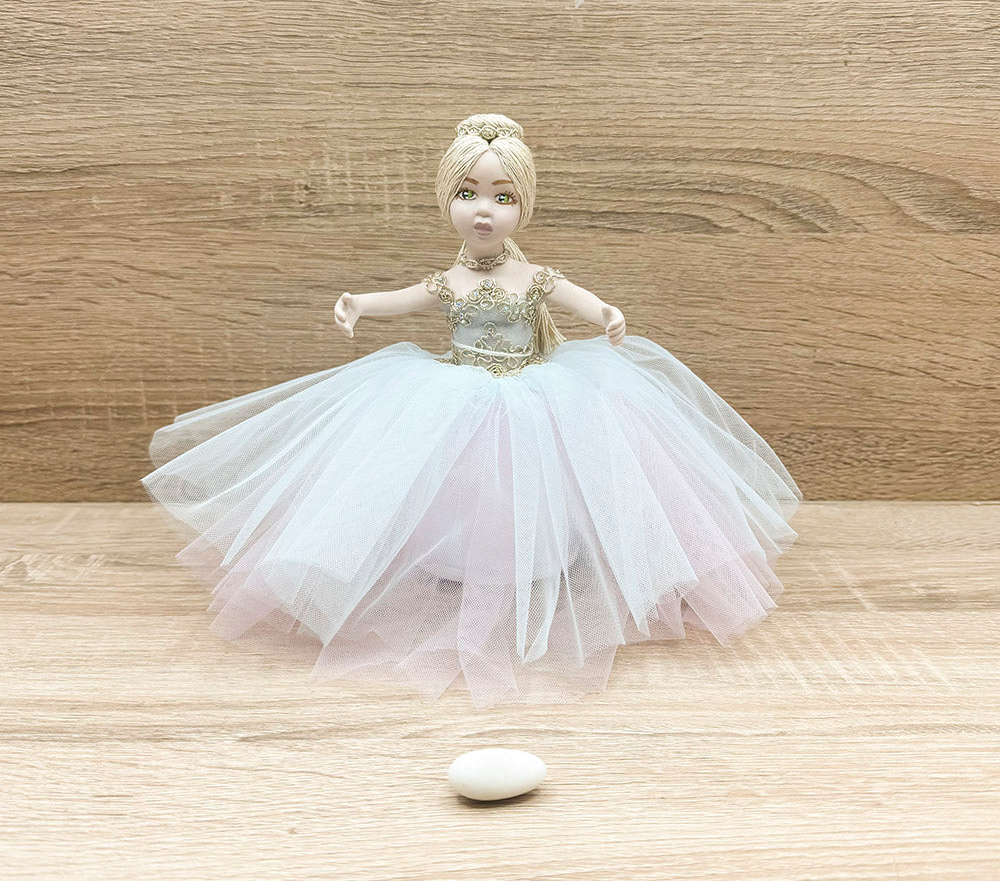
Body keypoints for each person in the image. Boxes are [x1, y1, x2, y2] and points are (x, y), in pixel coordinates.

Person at [141, 112, 803, 710]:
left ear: (523, 205)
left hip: (536, 389)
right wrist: (360, 304)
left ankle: (533, 556)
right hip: (458, 388)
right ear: (447, 199)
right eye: (469, 194)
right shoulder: (452, 280)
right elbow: (406, 298)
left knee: (529, 478)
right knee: (458, 479)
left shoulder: (531, 277)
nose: (483, 211)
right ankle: (458, 555)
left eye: (502, 197)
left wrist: (606, 313)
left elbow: (576, 298)